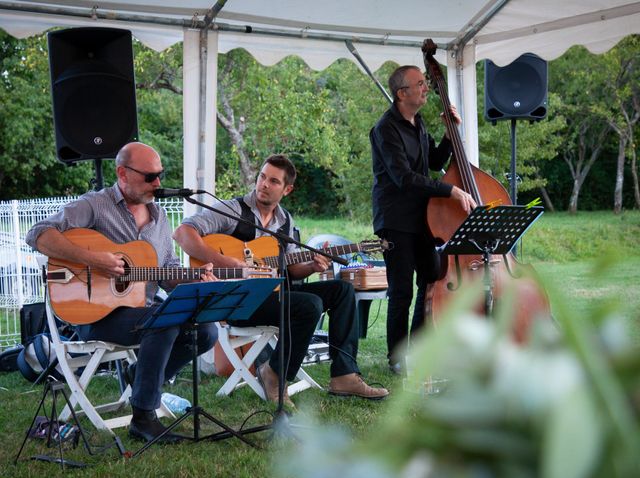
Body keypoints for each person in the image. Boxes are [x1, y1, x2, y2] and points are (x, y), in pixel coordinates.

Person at [25, 142, 218, 443]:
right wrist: (92, 259)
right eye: (149, 176)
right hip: (95, 315)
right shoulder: (94, 205)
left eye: (160, 175)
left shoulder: (159, 216)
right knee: (164, 319)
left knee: (206, 331)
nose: (157, 183)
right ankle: (143, 418)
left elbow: (166, 272)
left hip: (144, 310)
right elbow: (37, 233)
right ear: (122, 173)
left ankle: (139, 376)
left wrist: (193, 277)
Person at [174, 154, 389, 407]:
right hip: (237, 299)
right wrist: (226, 262)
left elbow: (290, 269)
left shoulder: (285, 222)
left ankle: (344, 374)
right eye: (262, 177)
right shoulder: (233, 210)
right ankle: (274, 373)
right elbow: (182, 233)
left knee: (342, 289)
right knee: (308, 305)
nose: (264, 184)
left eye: (273, 181)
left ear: (287, 189)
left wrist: (311, 265)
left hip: (271, 295)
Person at [370, 65, 477, 375]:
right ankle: (397, 357)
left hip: (422, 217)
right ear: (402, 93)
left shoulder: (418, 123)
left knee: (431, 276)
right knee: (401, 290)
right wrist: (451, 190)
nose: (426, 88)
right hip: (395, 218)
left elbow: (432, 162)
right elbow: (404, 177)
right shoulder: (385, 129)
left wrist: (448, 135)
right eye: (419, 84)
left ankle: (417, 345)